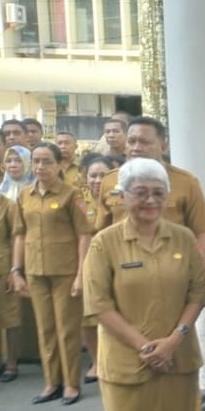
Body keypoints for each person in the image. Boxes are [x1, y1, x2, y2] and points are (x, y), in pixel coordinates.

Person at [83, 157, 205, 411]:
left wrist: (173, 339)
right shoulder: (105, 243)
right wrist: (145, 345)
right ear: (122, 197)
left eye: (158, 193)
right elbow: (99, 304)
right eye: (140, 193)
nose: (150, 201)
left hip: (178, 356)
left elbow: (197, 295)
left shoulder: (183, 238)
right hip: (126, 360)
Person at [21, 142, 92, 406]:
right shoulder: (25, 195)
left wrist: (80, 274)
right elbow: (20, 234)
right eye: (36, 161)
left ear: (58, 165)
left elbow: (84, 234)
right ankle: (52, 382)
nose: (40, 167)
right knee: (45, 329)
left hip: (65, 271)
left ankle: (71, 384)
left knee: (67, 329)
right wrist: (18, 270)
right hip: (35, 270)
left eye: (46, 161)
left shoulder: (72, 195)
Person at [95, 117, 205, 266]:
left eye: (144, 142)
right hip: (122, 273)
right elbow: (100, 232)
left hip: (171, 271)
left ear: (163, 147)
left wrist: (200, 281)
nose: (136, 148)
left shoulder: (186, 182)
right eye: (131, 141)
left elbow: (201, 234)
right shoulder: (110, 180)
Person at [80, 155, 117, 383]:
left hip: (111, 259)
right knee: (87, 317)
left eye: (102, 175)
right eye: (92, 175)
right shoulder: (78, 201)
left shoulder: (117, 199)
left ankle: (110, 360)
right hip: (86, 261)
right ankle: (95, 361)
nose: (97, 180)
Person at [0, 186, 25, 383]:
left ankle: (12, 362)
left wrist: (14, 269)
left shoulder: (8, 205)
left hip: (3, 265)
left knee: (9, 316)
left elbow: (17, 237)